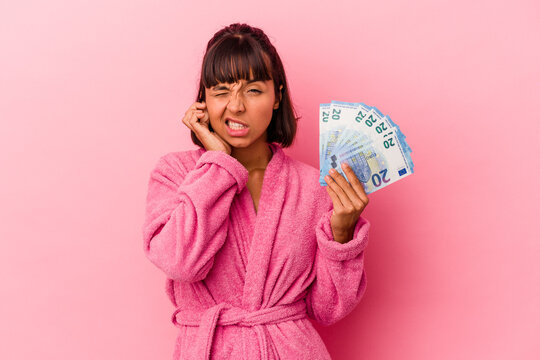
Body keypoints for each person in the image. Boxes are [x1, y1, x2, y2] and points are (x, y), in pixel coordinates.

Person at [142, 23, 371, 360]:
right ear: (203, 99)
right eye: (221, 91)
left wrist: (342, 233)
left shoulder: (312, 188)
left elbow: (328, 309)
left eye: (252, 90)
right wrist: (218, 164)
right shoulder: (175, 174)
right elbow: (182, 264)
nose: (235, 106)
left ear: (277, 95)